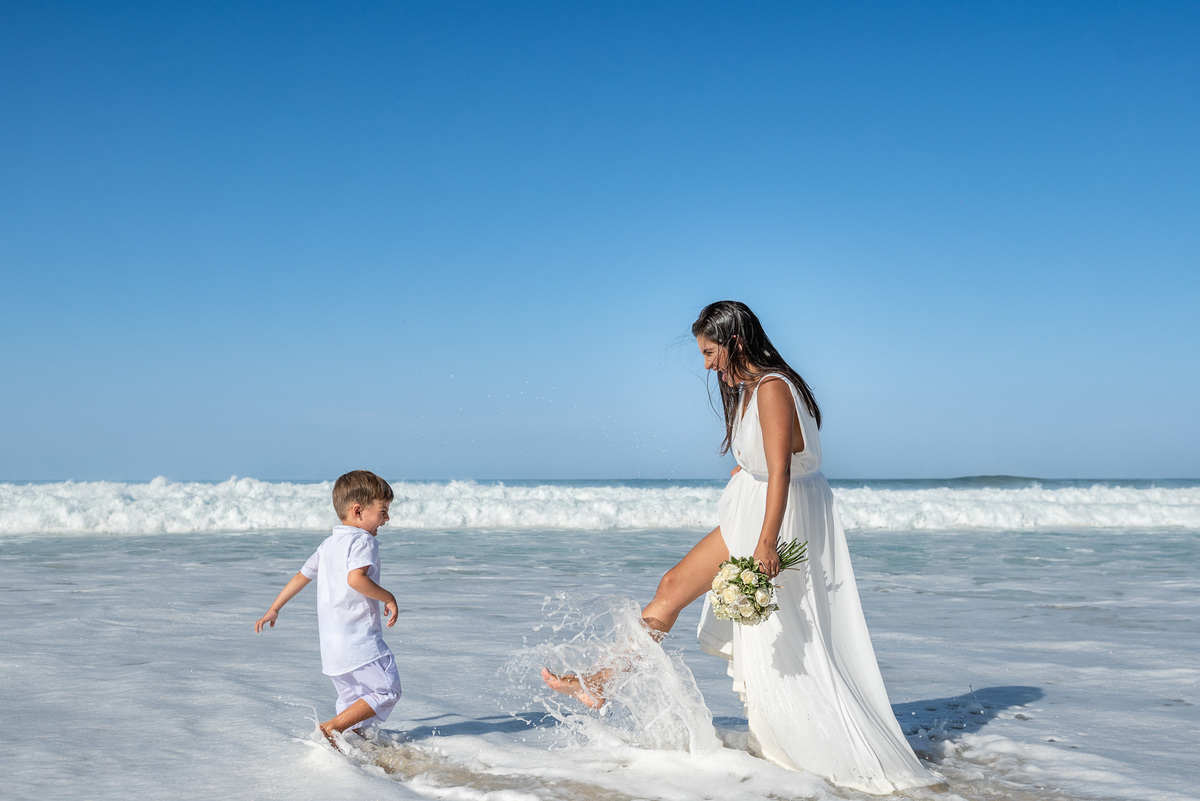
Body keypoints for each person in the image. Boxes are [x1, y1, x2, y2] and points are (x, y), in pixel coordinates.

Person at [545, 301, 937, 793]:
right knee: (671, 587)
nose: (706, 364)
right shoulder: (752, 390)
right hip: (750, 511)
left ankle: (803, 746)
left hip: (774, 523)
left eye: (710, 352)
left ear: (734, 342)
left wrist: (766, 542)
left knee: (788, 641)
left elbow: (783, 471)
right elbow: (770, 460)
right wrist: (743, 470)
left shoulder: (772, 388)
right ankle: (600, 681)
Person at [254, 469, 402, 748]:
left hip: (331, 648)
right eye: (383, 511)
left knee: (354, 708)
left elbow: (302, 576)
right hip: (359, 642)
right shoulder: (363, 540)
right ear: (358, 511)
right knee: (387, 690)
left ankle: (347, 749)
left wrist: (274, 609)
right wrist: (388, 597)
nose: (387, 518)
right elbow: (355, 579)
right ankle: (330, 728)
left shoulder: (329, 544)